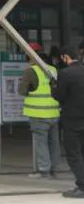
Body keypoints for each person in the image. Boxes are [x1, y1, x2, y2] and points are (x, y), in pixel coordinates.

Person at [21, 43, 61, 180]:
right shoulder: (54, 70)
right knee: (54, 142)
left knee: (41, 143)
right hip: (54, 112)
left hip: (38, 113)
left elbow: (22, 90)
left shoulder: (30, 71)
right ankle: (54, 170)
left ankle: (44, 171)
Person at [52, 44, 84, 198]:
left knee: (73, 154)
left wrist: (53, 87)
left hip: (72, 120)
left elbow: (59, 95)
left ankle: (82, 186)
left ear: (65, 57)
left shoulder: (65, 73)